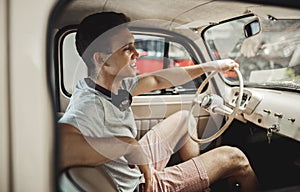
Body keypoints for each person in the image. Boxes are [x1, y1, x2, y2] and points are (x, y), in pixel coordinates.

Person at [58, 12, 259, 192]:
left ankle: (200, 184)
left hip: (135, 164)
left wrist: (211, 66)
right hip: (139, 185)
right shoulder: (88, 105)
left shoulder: (112, 85)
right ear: (102, 59)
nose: (137, 53)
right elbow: (60, 148)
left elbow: (158, 79)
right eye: (127, 49)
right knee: (236, 158)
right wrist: (127, 146)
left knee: (184, 118)